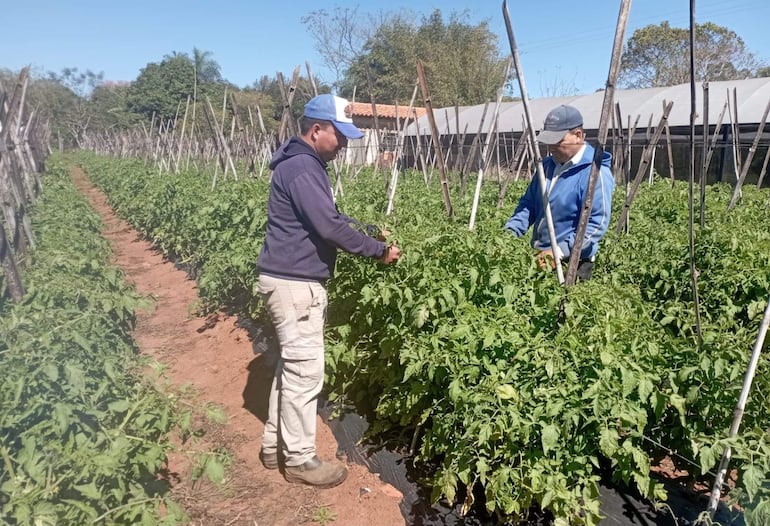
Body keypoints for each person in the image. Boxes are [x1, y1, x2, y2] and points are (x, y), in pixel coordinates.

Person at [256, 93, 401, 489]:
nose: (344, 144)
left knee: (291, 369)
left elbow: (331, 216)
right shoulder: (304, 168)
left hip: (286, 279)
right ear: (316, 129)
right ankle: (301, 460)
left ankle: (273, 446)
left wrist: (369, 229)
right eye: (339, 135)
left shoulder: (301, 164)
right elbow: (328, 228)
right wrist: (379, 251)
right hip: (295, 284)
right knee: (305, 374)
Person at [504, 105, 614, 281]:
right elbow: (529, 204)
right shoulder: (547, 166)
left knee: (565, 307)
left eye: (557, 141)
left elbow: (596, 225)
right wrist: (509, 233)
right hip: (541, 257)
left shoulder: (595, 173)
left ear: (577, 135)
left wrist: (559, 251)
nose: (551, 147)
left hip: (573, 262)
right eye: (549, 141)